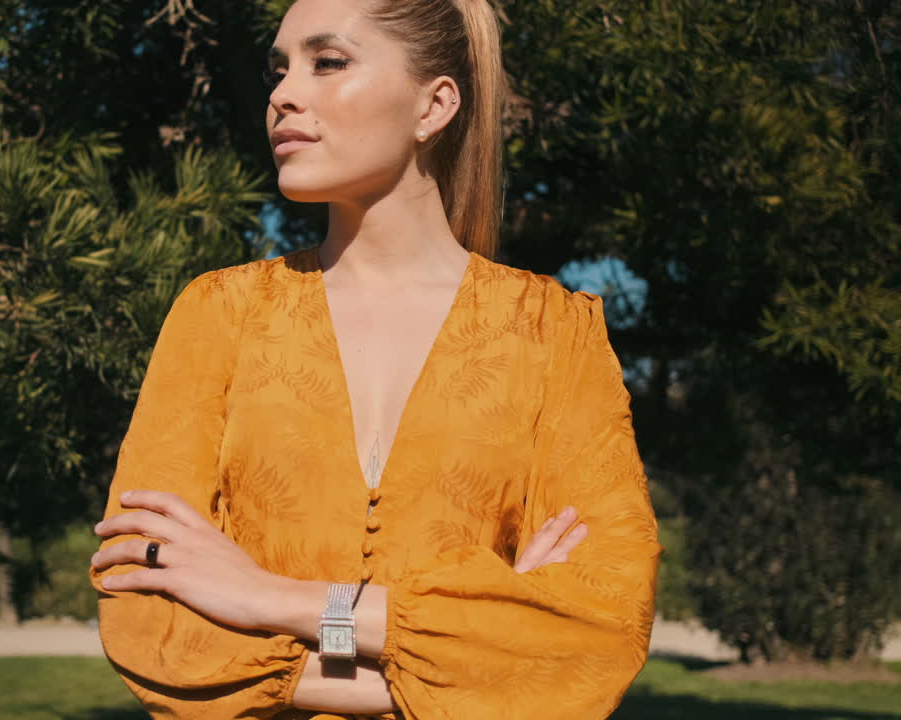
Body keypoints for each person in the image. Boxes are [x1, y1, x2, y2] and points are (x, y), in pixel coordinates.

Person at [89, 0, 662, 717]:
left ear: (434, 105)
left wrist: (266, 597)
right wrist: (462, 659)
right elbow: (143, 610)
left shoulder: (552, 334)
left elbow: (598, 629)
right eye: (279, 68)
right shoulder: (217, 317)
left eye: (327, 62)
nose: (282, 94)